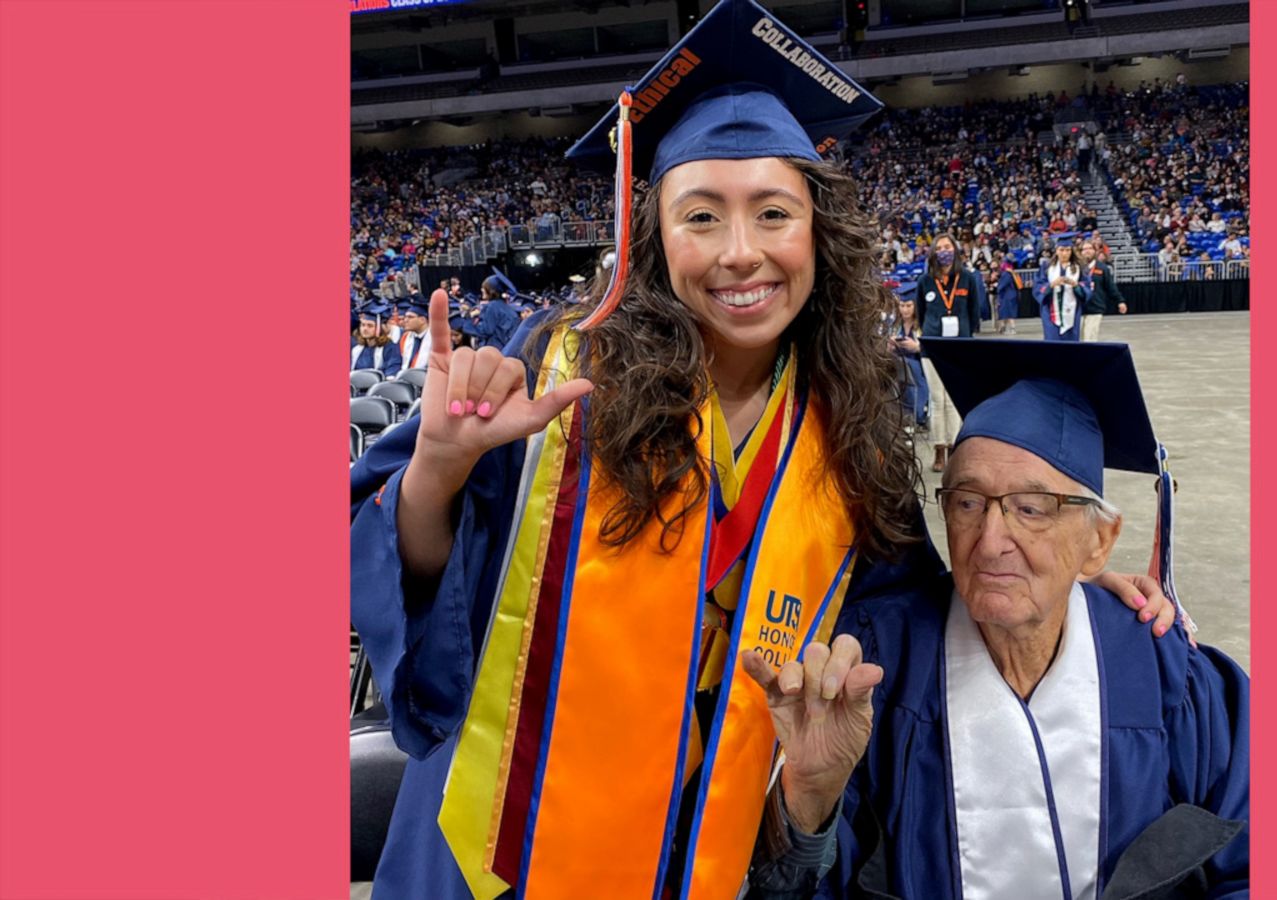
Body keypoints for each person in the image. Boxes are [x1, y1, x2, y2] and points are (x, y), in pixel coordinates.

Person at [353, 5, 1173, 898]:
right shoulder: (554, 366)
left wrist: (1050, 570)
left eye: (773, 213)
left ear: (817, 232)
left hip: (707, 848)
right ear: (653, 238)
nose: (741, 254)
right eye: (701, 216)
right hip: (499, 851)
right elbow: (422, 586)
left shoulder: (850, 419)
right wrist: (439, 466)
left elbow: (910, 608)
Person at [743, 339, 1248, 899]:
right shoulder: (875, 665)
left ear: (1099, 542)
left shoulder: (1163, 668)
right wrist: (808, 801)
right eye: (967, 502)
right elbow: (802, 889)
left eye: (1031, 509)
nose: (990, 541)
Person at [915, 233, 985, 472]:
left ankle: (956, 447)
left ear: (955, 250)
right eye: (939, 247)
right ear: (933, 252)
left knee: (954, 399)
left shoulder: (966, 278)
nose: (944, 251)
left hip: (960, 346)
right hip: (933, 346)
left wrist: (968, 338)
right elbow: (920, 312)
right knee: (937, 399)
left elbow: (974, 310)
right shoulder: (925, 281)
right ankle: (939, 449)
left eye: (948, 247)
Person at [888, 283, 928, 431]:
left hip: (919, 364)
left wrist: (917, 347)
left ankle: (918, 414)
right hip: (899, 364)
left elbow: (930, 347)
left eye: (909, 305)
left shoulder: (923, 324)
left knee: (912, 367)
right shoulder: (894, 324)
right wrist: (891, 346)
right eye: (902, 305)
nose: (905, 310)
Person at [1080, 241, 1129, 341]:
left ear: (1095, 251)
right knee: (1077, 340)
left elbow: (1110, 287)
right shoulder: (1076, 268)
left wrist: (1120, 301)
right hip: (1078, 309)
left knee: (1090, 339)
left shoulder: (1102, 268)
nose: (1087, 251)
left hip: (1095, 308)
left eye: (1089, 248)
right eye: (1084, 249)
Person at [1034, 241, 1081, 342]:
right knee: (1052, 341)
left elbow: (1085, 286)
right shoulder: (1047, 267)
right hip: (1050, 311)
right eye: (1061, 250)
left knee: (1071, 343)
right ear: (1056, 251)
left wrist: (1075, 285)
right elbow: (1038, 286)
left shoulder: (1078, 267)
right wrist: (1051, 285)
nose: (1065, 253)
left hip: (1072, 310)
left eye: (1068, 250)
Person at [351, 304, 402, 378]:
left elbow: (392, 372)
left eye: (370, 326)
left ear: (379, 328)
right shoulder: (356, 349)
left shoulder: (390, 348)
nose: (365, 329)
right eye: (363, 325)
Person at [395, 300, 432, 373]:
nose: (405, 320)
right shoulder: (405, 337)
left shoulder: (434, 338)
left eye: (410, 317)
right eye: (405, 317)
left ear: (422, 320)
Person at [994, 259, 1025, 336]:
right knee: (1006, 313)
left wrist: (997, 286)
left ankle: (1012, 328)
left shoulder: (1006, 274)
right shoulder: (1012, 273)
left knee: (1008, 313)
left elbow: (1002, 285)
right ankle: (1004, 328)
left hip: (1007, 296)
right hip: (1011, 295)